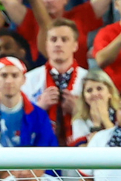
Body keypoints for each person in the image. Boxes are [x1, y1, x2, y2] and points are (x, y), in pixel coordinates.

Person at [0, 56, 57, 148]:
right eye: (4, 75)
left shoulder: (39, 116)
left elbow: (47, 152)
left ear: (24, 80)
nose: (9, 81)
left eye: (15, 75)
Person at [22, 18, 88, 146]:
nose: (58, 44)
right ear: (46, 45)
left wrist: (79, 111)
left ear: (75, 45)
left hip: (81, 153)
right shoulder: (28, 80)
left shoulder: (89, 80)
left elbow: (102, 123)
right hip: (39, 153)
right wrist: (39, 108)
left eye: (64, 39)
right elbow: (17, 121)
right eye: (53, 40)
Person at [10, 0, 109, 70]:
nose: (49, 1)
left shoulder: (80, 15)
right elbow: (9, 3)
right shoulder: (31, 18)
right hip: (41, 78)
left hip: (79, 77)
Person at [73, 68, 119, 146]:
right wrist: (96, 125)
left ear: (110, 92)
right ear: (84, 96)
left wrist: (105, 120)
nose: (94, 93)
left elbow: (120, 146)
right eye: (89, 90)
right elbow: (84, 152)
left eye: (99, 88)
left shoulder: (120, 114)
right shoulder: (79, 120)